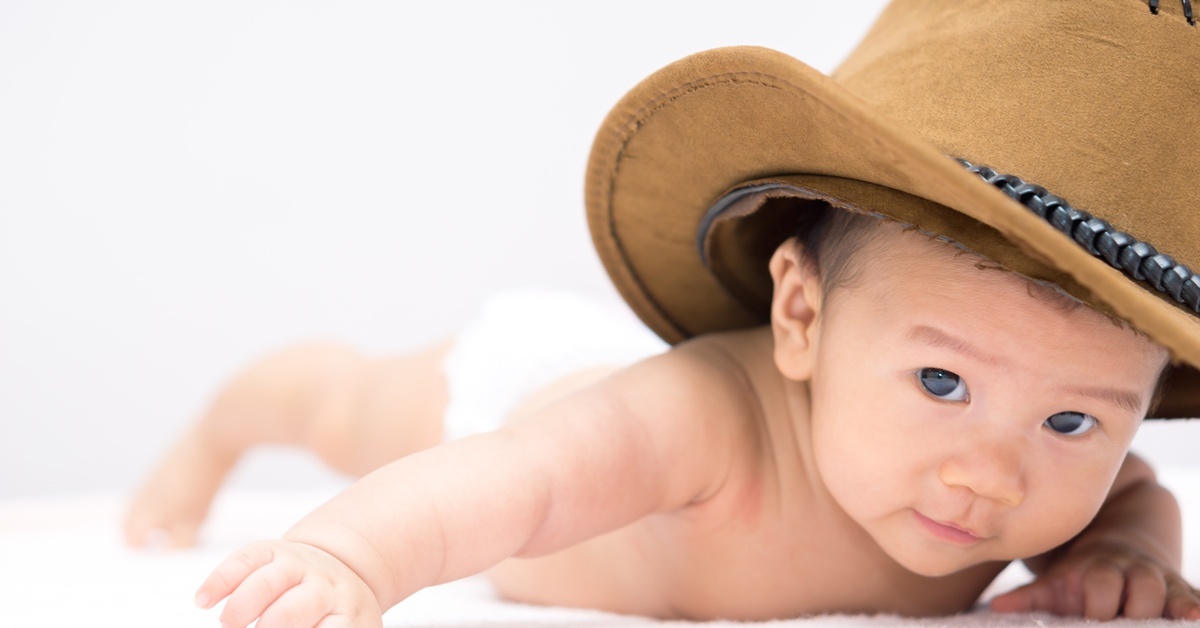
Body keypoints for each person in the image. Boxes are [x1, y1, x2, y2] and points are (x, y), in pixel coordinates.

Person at [125, 1, 1200, 625]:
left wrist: (1132, 559)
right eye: (940, 383)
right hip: (515, 408)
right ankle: (227, 420)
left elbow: (1134, 498)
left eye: (1072, 423)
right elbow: (520, 483)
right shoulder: (704, 419)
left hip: (591, 422)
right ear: (801, 313)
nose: (990, 475)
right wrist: (354, 560)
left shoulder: (1055, 491)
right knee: (343, 403)